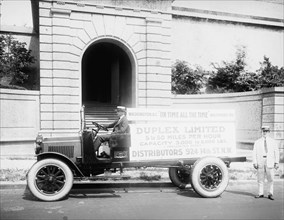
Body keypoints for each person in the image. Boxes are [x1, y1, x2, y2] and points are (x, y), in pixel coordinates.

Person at [253, 125, 279, 200]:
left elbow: (276, 152)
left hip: (270, 161)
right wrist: (254, 162)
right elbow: (254, 153)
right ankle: (260, 193)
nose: (265, 133)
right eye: (264, 131)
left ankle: (270, 194)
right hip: (261, 161)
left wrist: (276, 162)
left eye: (266, 131)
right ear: (262, 132)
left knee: (270, 179)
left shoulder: (273, 141)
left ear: (269, 132)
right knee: (260, 179)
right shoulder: (257, 142)